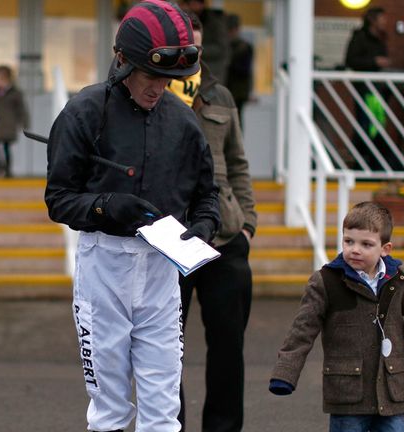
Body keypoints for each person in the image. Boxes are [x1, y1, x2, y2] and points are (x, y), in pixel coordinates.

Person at [44, 1, 220, 431]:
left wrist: (202, 227)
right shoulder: (84, 113)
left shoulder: (182, 121)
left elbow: (207, 195)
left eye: (169, 79)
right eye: (152, 75)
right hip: (104, 266)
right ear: (123, 61)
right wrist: (105, 206)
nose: (160, 87)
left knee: (163, 411)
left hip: (162, 270)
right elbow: (59, 199)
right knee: (110, 409)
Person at [269, 201, 404, 432]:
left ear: (385, 248)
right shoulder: (325, 281)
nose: (355, 249)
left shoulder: (402, 279)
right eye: (348, 241)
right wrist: (285, 374)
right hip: (347, 395)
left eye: (366, 244)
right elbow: (302, 330)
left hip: (392, 394)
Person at [167, 13, 257, 432]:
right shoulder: (153, 93)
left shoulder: (219, 95)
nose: (192, 56)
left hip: (225, 240)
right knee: (166, 349)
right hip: (171, 240)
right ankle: (171, 425)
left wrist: (248, 223)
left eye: (197, 50)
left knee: (227, 348)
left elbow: (238, 162)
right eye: (185, 50)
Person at [344, 7, 396, 171]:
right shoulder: (360, 37)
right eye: (382, 19)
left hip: (378, 90)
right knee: (365, 125)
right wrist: (375, 62)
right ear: (373, 20)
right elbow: (351, 60)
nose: (385, 22)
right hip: (365, 90)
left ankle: (372, 163)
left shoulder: (379, 38)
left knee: (376, 125)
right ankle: (360, 163)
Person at [180, 0, 229, 84]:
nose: (191, 6)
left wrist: (196, 49)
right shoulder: (188, 18)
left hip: (212, 70)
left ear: (201, 4)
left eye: (194, 3)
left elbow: (221, 48)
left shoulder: (215, 22)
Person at [225, 13, 254, 126]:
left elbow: (245, 70)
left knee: (236, 120)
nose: (231, 33)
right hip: (230, 89)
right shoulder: (228, 46)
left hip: (238, 91)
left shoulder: (244, 47)